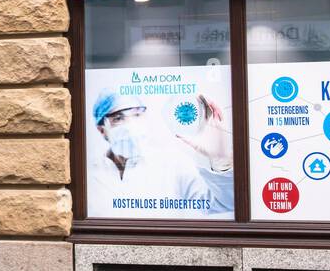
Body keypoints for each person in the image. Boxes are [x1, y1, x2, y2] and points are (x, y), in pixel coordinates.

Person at [87, 90, 234, 217]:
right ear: (102, 129)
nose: (131, 126)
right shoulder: (87, 174)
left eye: (137, 114)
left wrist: (221, 161)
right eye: (118, 118)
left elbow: (226, 203)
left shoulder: (172, 164)